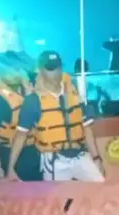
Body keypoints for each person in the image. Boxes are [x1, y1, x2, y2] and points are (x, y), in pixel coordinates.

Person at [6, 51, 105, 181]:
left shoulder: (74, 93)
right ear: (40, 70)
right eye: (50, 68)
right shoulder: (33, 100)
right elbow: (20, 135)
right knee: (58, 193)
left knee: (100, 185)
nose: (56, 72)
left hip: (80, 155)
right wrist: (10, 168)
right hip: (53, 160)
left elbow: (86, 128)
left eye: (58, 67)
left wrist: (96, 158)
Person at [0, 55, 41, 180]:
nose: (19, 72)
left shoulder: (26, 89)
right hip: (12, 154)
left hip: (34, 149)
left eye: (19, 69)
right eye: (15, 69)